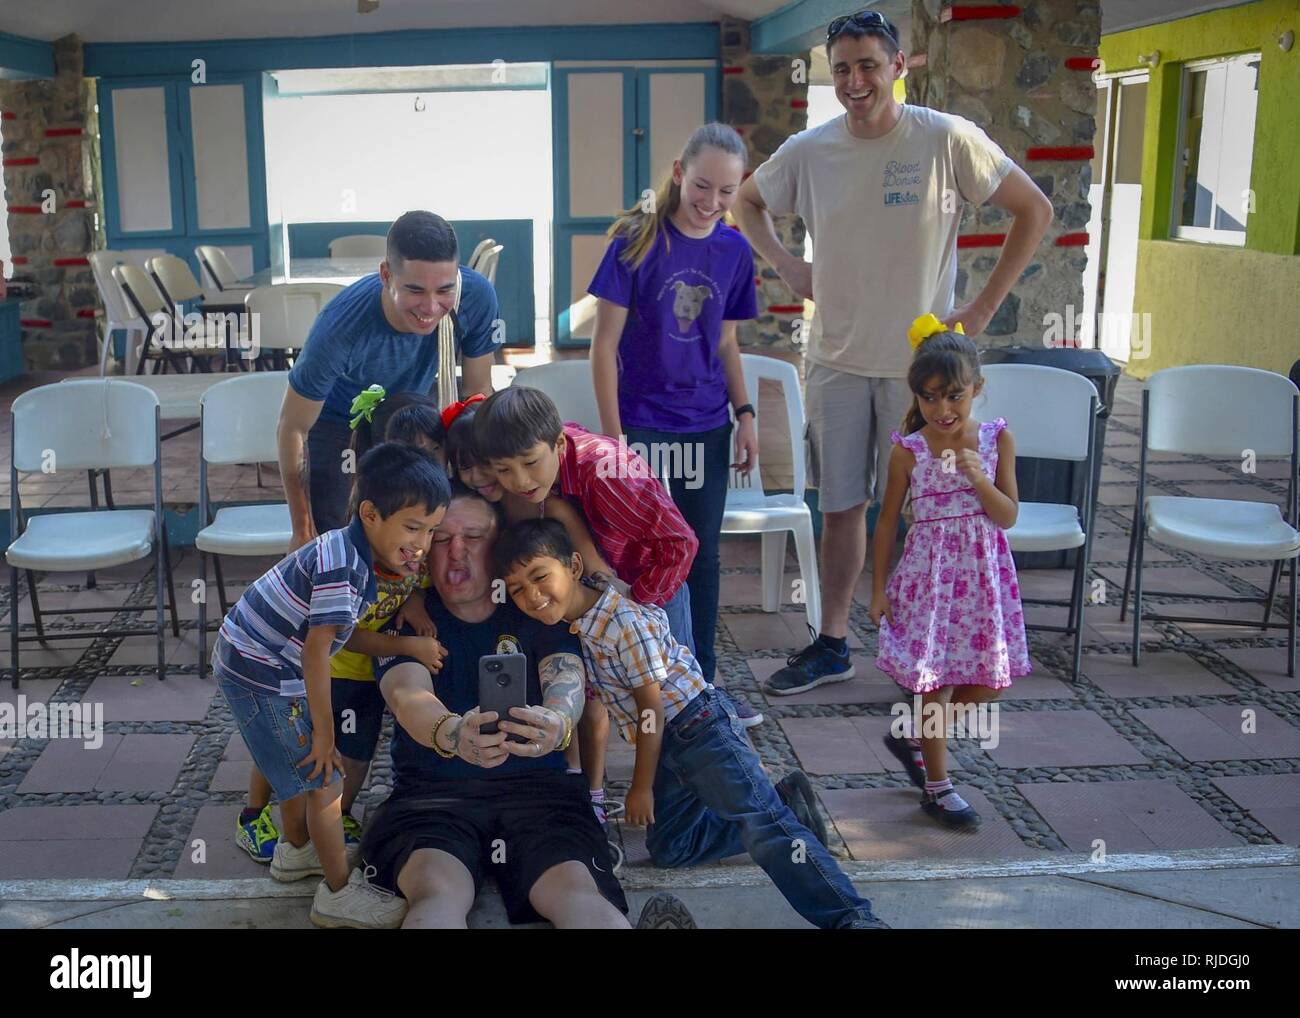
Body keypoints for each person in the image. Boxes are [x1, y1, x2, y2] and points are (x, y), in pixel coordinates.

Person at [734, 8, 1052, 695]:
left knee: (928, 511)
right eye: (842, 68)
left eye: (868, 65)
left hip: (922, 379)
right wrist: (789, 266)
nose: (854, 81)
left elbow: (1035, 211)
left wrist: (981, 309)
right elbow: (746, 201)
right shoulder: (811, 149)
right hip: (836, 361)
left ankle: (920, 645)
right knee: (842, 506)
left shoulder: (945, 139)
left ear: (898, 67)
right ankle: (833, 642)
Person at [496, 518, 889, 929]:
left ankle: (854, 918)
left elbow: (652, 709)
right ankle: (791, 804)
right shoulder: (579, 623)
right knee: (672, 847)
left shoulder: (620, 622)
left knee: (765, 827)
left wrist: (641, 786)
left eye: (540, 577)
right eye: (518, 588)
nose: (532, 595)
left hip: (700, 726)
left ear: (573, 566)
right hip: (669, 746)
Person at [360, 485, 696, 929]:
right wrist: (452, 733)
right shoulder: (408, 620)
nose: (456, 552)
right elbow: (406, 695)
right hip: (436, 797)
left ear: (497, 546)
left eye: (473, 538)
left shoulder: (533, 609)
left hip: (539, 795)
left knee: (575, 893)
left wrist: (557, 721)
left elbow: (566, 676)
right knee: (437, 894)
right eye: (441, 539)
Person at [214, 443, 450, 927]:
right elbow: (316, 649)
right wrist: (325, 732)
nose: (423, 544)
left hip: (267, 660)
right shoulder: (345, 568)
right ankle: (338, 894)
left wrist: (403, 647)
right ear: (370, 514)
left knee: (307, 770)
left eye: (430, 530)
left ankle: (296, 851)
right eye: (412, 527)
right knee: (325, 780)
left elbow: (341, 633)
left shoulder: (354, 551)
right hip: (259, 669)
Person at [589, 121, 760, 687]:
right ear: (679, 174)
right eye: (702, 186)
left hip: (707, 426)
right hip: (643, 426)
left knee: (702, 556)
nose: (712, 202)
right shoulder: (636, 242)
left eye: (728, 192)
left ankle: (702, 682)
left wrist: (746, 415)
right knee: (647, 553)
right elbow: (603, 347)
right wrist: (615, 440)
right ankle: (649, 675)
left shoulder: (735, 250)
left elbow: (729, 343)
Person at [871, 315, 1030, 828]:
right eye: (930, 398)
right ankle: (938, 787)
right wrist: (878, 588)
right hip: (928, 583)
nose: (942, 410)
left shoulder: (995, 439)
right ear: (916, 395)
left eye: (955, 397)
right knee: (931, 683)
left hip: (983, 581)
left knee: (991, 681)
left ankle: (917, 732)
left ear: (976, 390)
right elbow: (887, 522)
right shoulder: (907, 452)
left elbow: (1007, 516)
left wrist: (978, 477)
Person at [276, 210, 497, 550]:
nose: (431, 307)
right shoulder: (339, 329)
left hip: (411, 409)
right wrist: (301, 528)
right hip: (340, 421)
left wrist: (483, 470)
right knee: (339, 537)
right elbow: (293, 426)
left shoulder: (475, 297)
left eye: (444, 289)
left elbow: (477, 393)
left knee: (431, 515)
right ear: (385, 275)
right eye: (415, 290)